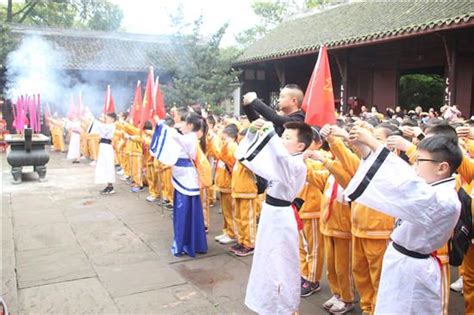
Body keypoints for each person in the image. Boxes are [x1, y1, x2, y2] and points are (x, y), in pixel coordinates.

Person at [346, 127, 462, 314]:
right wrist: (365, 149)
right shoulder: (432, 187)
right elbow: (399, 179)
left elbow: (406, 182)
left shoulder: (445, 200)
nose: (414, 166)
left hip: (413, 268)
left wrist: (374, 143)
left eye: (419, 161)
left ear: (442, 168)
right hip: (403, 260)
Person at [237, 119, 311, 314]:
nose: (280, 140)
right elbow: (247, 157)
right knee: (265, 259)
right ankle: (266, 302)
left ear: (300, 146)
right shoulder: (282, 160)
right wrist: (252, 133)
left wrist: (270, 132)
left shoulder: (296, 164)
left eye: (286, 137)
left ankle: (284, 306)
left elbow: (280, 157)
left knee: (281, 262)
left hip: (282, 218)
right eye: (282, 136)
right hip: (271, 214)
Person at [150, 113, 209, 257]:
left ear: (189, 125)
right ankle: (193, 242)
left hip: (186, 179)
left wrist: (161, 124)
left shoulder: (189, 138)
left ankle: (184, 243)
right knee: (190, 213)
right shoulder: (190, 138)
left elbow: (174, 136)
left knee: (183, 213)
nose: (181, 125)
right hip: (185, 178)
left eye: (184, 123)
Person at [89, 112, 117, 194]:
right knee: (103, 165)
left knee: (108, 166)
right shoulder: (107, 125)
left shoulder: (112, 125)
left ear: (112, 119)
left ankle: (110, 186)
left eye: (107, 118)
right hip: (103, 146)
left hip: (107, 147)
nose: (106, 120)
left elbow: (102, 128)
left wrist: (96, 120)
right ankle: (108, 185)